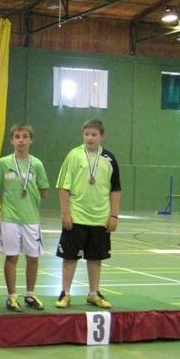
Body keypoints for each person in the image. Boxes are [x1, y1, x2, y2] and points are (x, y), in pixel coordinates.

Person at [55, 119, 121, 309]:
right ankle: (65, 293)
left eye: (94, 134)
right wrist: (65, 213)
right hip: (76, 215)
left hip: (100, 218)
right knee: (70, 256)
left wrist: (114, 215)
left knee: (95, 257)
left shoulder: (109, 159)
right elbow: (63, 187)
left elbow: (115, 190)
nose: (90, 138)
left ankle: (94, 293)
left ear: (102, 136)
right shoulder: (74, 155)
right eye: (86, 134)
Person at [0, 124, 49, 311]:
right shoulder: (3, 163)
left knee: (33, 258)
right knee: (12, 257)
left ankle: (30, 294)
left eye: (24, 136)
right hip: (9, 219)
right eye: (17, 136)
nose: (21, 140)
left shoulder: (37, 164)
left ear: (31, 140)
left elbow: (44, 191)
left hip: (31, 219)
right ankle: (12, 297)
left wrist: (28, 191)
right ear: (12, 140)